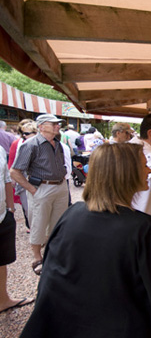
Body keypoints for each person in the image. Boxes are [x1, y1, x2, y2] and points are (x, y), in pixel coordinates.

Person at [20, 143, 151, 338]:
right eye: (144, 165)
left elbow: (51, 274)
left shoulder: (71, 214)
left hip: (56, 325)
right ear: (125, 173)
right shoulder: (145, 227)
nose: (149, 170)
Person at [10, 114, 69, 276]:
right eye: (54, 124)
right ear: (41, 126)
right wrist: (32, 189)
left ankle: (53, 254)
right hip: (42, 187)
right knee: (38, 222)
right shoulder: (31, 145)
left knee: (57, 223)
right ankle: (37, 257)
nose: (58, 126)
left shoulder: (57, 143)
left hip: (60, 186)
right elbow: (15, 171)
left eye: (58, 124)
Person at [0, 146, 34, 314]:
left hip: (2, 215)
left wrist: (11, 210)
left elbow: (6, 179)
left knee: (2, 260)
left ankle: (3, 299)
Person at [8, 121, 37, 229]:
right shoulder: (19, 144)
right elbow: (12, 164)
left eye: (27, 133)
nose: (24, 135)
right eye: (23, 133)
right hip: (25, 182)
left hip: (38, 183)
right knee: (28, 208)